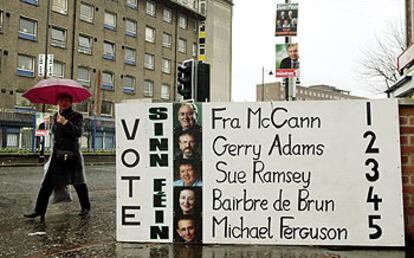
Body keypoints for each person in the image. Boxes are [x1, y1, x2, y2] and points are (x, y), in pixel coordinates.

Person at [24, 93, 91, 221]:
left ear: (71, 102)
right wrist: (52, 124)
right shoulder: (56, 115)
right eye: (61, 100)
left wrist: (65, 122)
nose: (64, 103)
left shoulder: (77, 116)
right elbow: (56, 135)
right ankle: (39, 210)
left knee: (78, 183)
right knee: (47, 184)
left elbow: (78, 133)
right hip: (57, 156)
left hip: (72, 155)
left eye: (66, 100)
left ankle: (85, 207)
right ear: (58, 102)